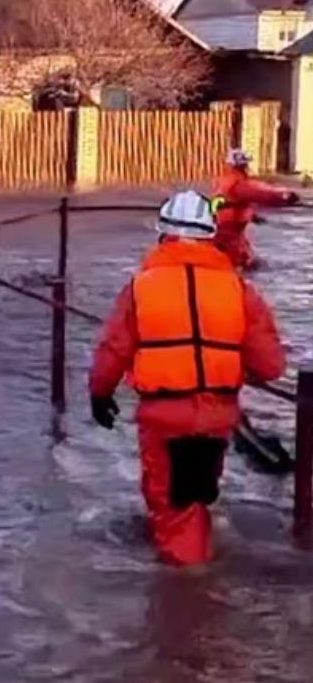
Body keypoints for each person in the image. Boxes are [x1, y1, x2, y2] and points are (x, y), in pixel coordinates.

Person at [88, 190, 286, 566]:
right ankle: (201, 580)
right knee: (195, 497)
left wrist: (100, 395)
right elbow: (271, 366)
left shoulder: (140, 288)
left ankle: (186, 604)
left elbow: (112, 351)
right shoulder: (240, 290)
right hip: (217, 417)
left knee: (172, 508)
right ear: (211, 235)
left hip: (164, 417)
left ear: (162, 234)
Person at [212, 148, 299, 269]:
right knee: (245, 263)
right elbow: (262, 193)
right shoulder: (239, 184)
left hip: (225, 232)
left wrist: (252, 216)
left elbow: (225, 205)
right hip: (232, 236)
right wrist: (285, 196)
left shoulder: (224, 182)